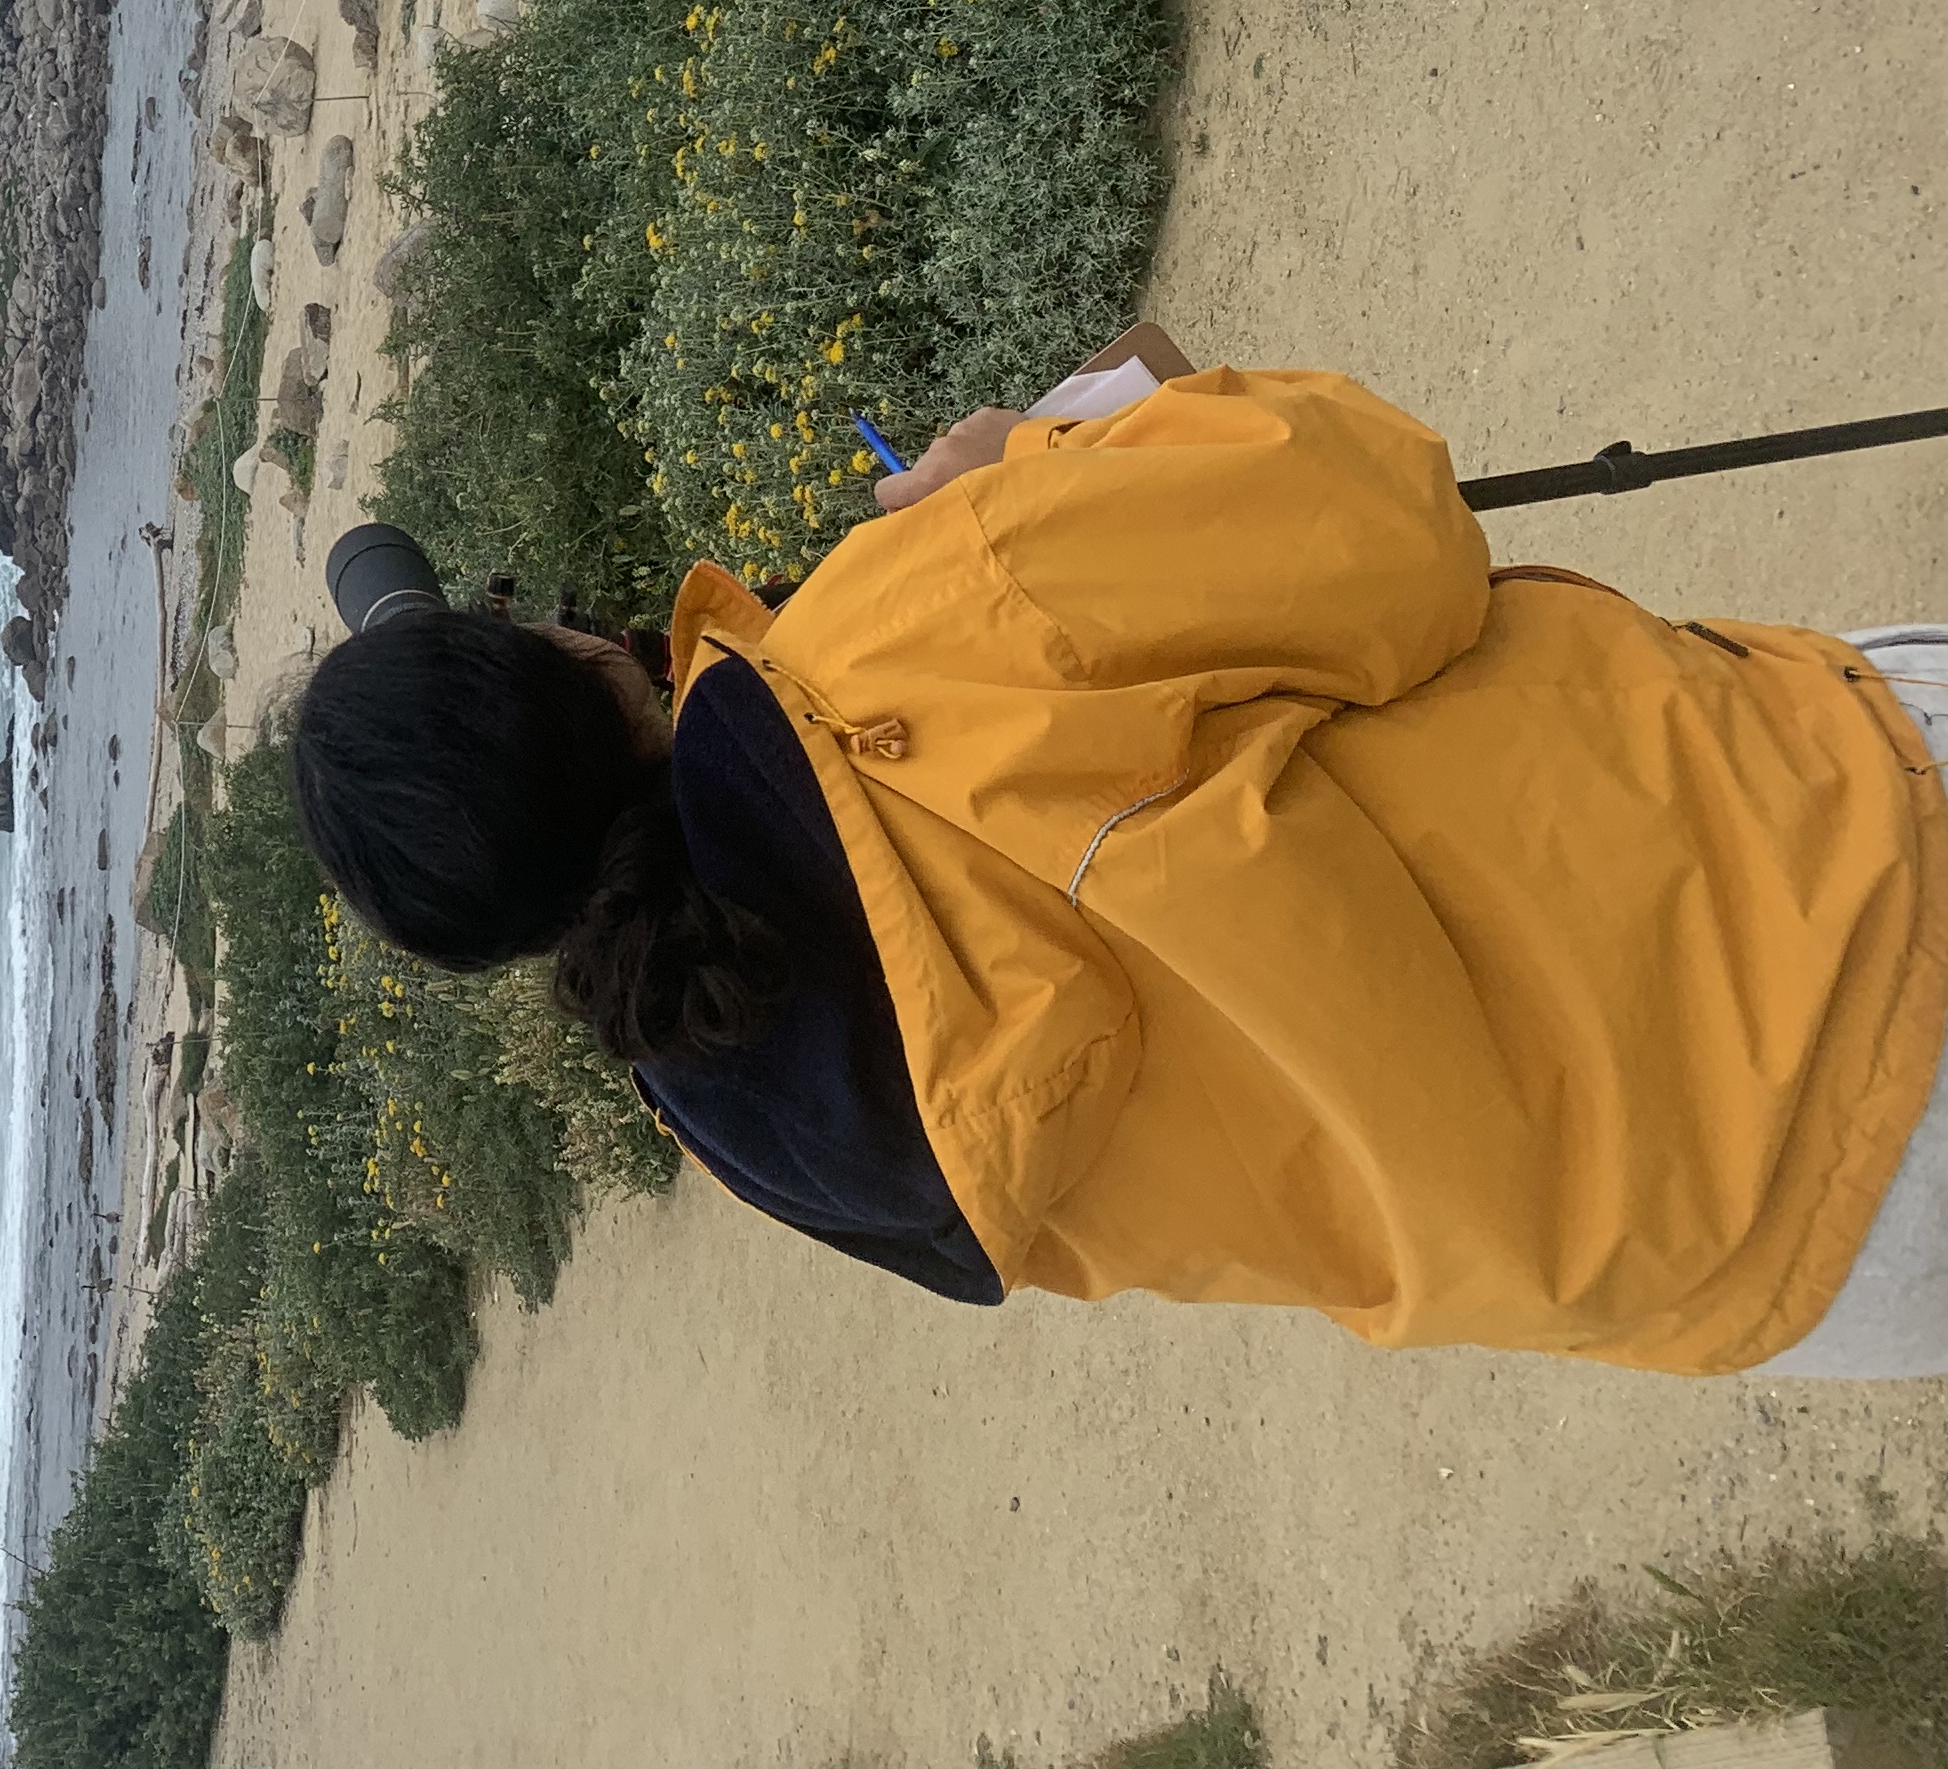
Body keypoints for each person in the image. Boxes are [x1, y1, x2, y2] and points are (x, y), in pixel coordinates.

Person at [289, 362, 1948, 1375]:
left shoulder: (739, 1102)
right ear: (580, 662)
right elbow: (1398, 531)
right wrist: (1030, 466)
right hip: (1830, 872)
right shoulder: (914, 622)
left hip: (1754, 1271)